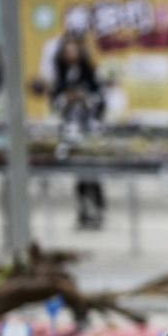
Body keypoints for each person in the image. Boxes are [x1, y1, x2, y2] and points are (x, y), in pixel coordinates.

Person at [49, 35, 107, 229]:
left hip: (90, 129)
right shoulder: (61, 76)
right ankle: (83, 211)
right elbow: (54, 102)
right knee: (78, 171)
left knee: (93, 171)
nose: (71, 55)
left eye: (74, 50)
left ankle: (97, 209)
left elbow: (101, 100)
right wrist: (66, 98)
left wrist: (85, 98)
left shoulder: (91, 73)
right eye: (68, 51)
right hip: (71, 131)